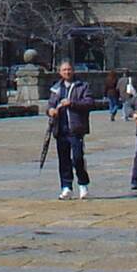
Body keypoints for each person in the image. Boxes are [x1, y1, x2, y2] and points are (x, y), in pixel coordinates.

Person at [47, 60, 94, 199]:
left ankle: (83, 184)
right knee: (64, 159)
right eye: (64, 70)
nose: (67, 72)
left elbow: (89, 103)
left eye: (69, 69)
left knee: (78, 158)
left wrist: (72, 103)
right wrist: (50, 111)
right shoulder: (56, 88)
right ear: (60, 72)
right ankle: (66, 187)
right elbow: (50, 105)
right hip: (60, 128)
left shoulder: (82, 86)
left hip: (76, 128)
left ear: (73, 70)